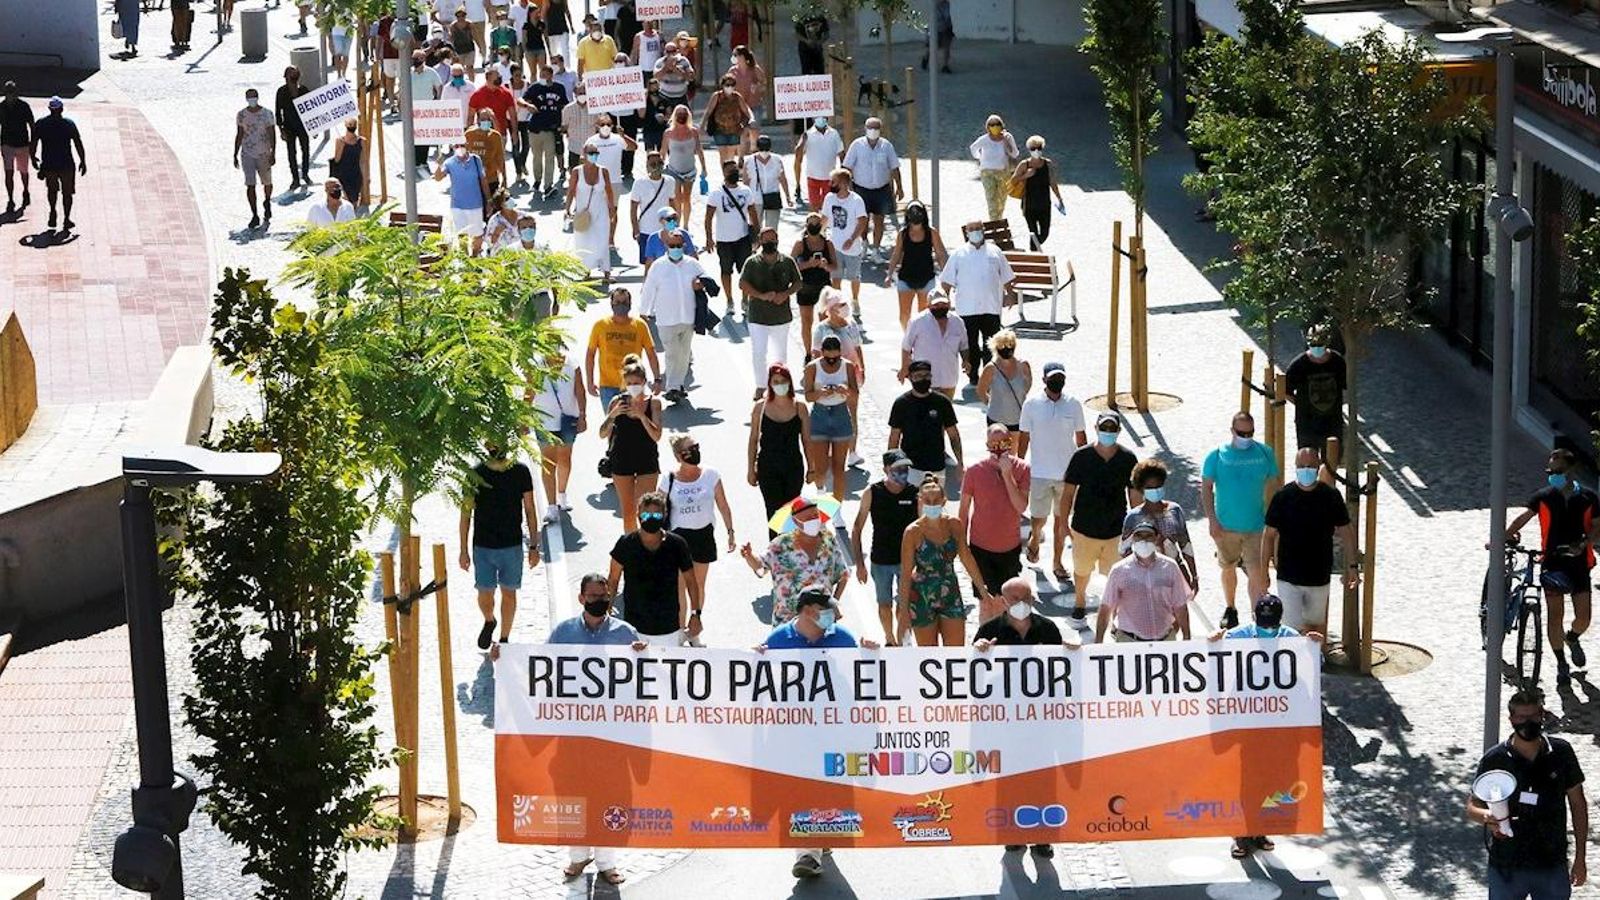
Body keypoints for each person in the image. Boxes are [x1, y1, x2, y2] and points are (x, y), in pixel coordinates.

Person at [760, 587, 874, 880]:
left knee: (832, 791)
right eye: (826, 609)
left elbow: (863, 681)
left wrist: (871, 653)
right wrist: (753, 659)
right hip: (794, 734)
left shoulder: (844, 638)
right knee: (801, 788)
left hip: (835, 732)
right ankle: (807, 853)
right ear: (809, 610)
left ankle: (820, 841)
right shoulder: (777, 641)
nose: (833, 615)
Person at [1206, 592, 1322, 859]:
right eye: (1263, 622)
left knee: (1272, 779)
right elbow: (1214, 653)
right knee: (1247, 778)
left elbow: (1312, 667)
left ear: (1280, 620)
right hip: (1248, 725)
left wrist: (1316, 647)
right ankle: (1240, 833)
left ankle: (1260, 829)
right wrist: (1213, 638)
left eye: (1271, 623)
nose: (1267, 627)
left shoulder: (1292, 637)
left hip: (1278, 726)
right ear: (1254, 617)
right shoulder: (1240, 635)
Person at [1468, 688, 1589, 899]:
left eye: (1533, 716)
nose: (1528, 723)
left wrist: (1580, 858)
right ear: (1512, 719)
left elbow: (1578, 804)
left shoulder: (1561, 753)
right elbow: (1472, 806)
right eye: (1522, 717)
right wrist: (1488, 818)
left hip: (1551, 863)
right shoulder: (1495, 758)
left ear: (1542, 715)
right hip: (1507, 866)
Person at [1507, 448, 1600, 684]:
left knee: (1584, 617)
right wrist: (1503, 536)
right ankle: (1561, 663)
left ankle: (1572, 638)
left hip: (1579, 563)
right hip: (1552, 563)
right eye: (1550, 471)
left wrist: (1586, 542)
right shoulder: (1543, 496)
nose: (1553, 475)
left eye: (1557, 471)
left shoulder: (1588, 497)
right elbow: (1523, 517)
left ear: (1571, 470)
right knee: (1554, 615)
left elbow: (1597, 526)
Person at [1262, 447, 1357, 639]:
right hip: (1288, 575)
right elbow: (1268, 534)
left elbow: (1346, 531)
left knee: (1316, 627)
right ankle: (1293, 666)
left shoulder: (1330, 497)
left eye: (1310, 466)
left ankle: (1315, 665)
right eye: (1301, 466)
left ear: (1318, 467)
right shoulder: (1283, 497)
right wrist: (1264, 570)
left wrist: (1352, 565)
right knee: (1291, 628)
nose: (1306, 470)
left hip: (1319, 574)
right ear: (1295, 467)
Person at [1060, 411, 1140, 629]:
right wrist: (1062, 524)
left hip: (1116, 529)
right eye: (1104, 428)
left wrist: (1137, 526)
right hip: (1084, 528)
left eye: (1112, 429)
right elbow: (1067, 492)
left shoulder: (1128, 459)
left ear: (1118, 431)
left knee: (1117, 575)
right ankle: (1079, 602)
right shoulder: (1081, 456)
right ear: (1096, 429)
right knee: (1082, 570)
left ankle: (1115, 613)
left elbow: (1134, 495)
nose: (1107, 432)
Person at [457, 442, 540, 651]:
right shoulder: (475, 474)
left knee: (509, 592)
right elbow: (466, 513)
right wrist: (463, 549)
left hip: (511, 545)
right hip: (483, 545)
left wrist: (533, 546)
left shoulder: (521, 471)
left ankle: (504, 639)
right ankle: (489, 620)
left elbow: (530, 509)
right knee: (484, 592)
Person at [1201, 411, 1277, 629]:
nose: (1246, 436)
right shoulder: (1216, 455)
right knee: (1227, 567)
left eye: (1250, 432)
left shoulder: (1265, 453)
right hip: (1225, 528)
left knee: (1257, 572)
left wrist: (1273, 520)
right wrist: (1212, 521)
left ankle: (1257, 617)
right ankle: (1231, 607)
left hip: (1256, 527)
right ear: (1232, 431)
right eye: (1241, 432)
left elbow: (1274, 485)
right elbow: (1206, 488)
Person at [1017, 361, 1088, 580]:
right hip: (1039, 472)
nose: (1057, 382)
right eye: (1053, 378)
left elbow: (1081, 438)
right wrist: (1019, 464)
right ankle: (1035, 537)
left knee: (1061, 520)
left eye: (1061, 378)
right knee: (1039, 517)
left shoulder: (1074, 405)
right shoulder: (1031, 405)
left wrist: (1084, 468)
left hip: (1067, 476)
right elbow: (1024, 437)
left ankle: (1057, 562)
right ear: (1044, 380)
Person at [902, 474, 991, 646]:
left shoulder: (954, 525)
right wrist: (904, 613)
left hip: (950, 591)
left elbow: (966, 557)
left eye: (936, 500)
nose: (932, 504)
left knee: (956, 651)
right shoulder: (913, 532)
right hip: (922, 595)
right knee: (929, 654)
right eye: (927, 500)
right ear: (920, 500)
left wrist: (983, 591)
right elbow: (905, 574)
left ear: (944, 501)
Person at [607, 491, 699, 647]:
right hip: (633, 626)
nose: (650, 518)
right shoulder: (626, 544)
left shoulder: (677, 544)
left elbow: (691, 581)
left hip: (668, 627)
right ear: (638, 514)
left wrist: (695, 614)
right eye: (646, 514)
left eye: (656, 515)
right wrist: (606, 610)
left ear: (664, 515)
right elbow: (613, 579)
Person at [740, 497, 849, 624]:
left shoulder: (828, 539)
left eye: (815, 515)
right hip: (787, 621)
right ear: (796, 522)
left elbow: (843, 574)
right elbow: (760, 565)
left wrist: (833, 604)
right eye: (808, 518)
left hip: (821, 621)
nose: (813, 520)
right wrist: (749, 556)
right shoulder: (781, 544)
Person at [665, 434, 737, 626]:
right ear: (679, 455)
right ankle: (679, 629)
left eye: (696, 447)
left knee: (698, 585)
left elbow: (722, 504)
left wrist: (730, 531)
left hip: (703, 534)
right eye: (690, 449)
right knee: (679, 586)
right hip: (678, 536)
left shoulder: (711, 475)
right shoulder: (669, 479)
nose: (696, 452)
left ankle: (694, 627)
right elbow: (657, 506)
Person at [852, 450, 920, 645]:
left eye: (905, 468)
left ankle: (900, 638)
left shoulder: (914, 493)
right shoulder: (873, 492)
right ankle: (889, 638)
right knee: (884, 604)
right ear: (886, 469)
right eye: (897, 469)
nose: (902, 472)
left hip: (907, 561)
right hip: (880, 559)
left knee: (904, 605)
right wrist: (859, 564)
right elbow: (857, 528)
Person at [960, 425, 1030, 609]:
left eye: (1004, 442)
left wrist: (1007, 475)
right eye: (993, 444)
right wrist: (960, 544)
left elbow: (1021, 506)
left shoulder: (1022, 469)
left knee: (1006, 602)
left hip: (1009, 547)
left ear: (1010, 443)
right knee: (986, 602)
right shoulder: (974, 471)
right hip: (981, 547)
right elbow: (964, 510)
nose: (999, 448)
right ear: (987, 444)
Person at [940, 220, 1016, 389]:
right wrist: (944, 301)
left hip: (991, 307)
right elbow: (947, 281)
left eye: (978, 229)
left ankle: (990, 375)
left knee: (992, 344)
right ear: (966, 232)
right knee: (970, 344)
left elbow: (1006, 275)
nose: (975, 232)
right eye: (971, 229)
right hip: (967, 309)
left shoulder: (995, 252)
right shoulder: (958, 255)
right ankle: (973, 376)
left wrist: (1010, 295)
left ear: (983, 230)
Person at [1095, 518, 1190, 643]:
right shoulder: (1119, 570)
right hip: (1129, 641)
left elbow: (1180, 605)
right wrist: (1098, 643)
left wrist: (1187, 638)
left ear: (1156, 538)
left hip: (1165, 640)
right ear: (1133, 538)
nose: (1143, 540)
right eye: (1139, 535)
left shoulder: (1170, 567)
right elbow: (1106, 607)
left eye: (1148, 536)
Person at [639, 231, 705, 403]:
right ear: (666, 246)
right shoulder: (658, 266)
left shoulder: (692, 264)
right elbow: (649, 288)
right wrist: (644, 310)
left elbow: (707, 279)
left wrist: (700, 284)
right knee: (672, 352)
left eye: (678, 246)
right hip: (666, 318)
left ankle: (678, 384)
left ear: (683, 246)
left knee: (683, 354)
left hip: (688, 317)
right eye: (672, 246)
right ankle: (672, 387)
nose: (675, 248)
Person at [749, 365, 811, 537]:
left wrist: (812, 467)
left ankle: (792, 551)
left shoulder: (800, 407)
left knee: (791, 512)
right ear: (769, 383)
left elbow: (807, 440)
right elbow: (753, 440)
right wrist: (750, 469)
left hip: (793, 466)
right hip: (768, 467)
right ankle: (775, 554)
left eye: (783, 381)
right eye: (775, 381)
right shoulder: (760, 408)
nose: (780, 385)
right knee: (774, 513)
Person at [1123, 458, 1199, 593]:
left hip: (1175, 573)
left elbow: (1185, 545)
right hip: (1144, 578)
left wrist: (1193, 575)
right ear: (1141, 489)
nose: (1155, 490)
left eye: (1158, 486)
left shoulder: (1174, 511)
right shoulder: (1133, 518)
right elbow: (1124, 552)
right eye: (1150, 488)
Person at [740, 225, 801, 393]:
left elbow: (798, 282)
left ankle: (780, 386)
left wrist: (786, 294)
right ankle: (760, 385)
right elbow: (743, 283)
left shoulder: (787, 261)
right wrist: (760, 295)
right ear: (760, 241)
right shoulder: (752, 262)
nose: (769, 243)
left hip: (781, 316)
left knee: (780, 354)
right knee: (759, 353)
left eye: (772, 240)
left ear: (777, 240)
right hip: (758, 316)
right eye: (766, 240)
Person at [811, 290, 866, 466]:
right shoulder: (821, 329)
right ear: (831, 309)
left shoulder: (851, 325)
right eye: (840, 305)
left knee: (852, 414)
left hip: (850, 376)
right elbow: (816, 355)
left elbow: (857, 348)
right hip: (828, 379)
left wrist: (862, 368)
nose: (844, 308)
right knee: (829, 413)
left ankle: (852, 451)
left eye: (844, 304)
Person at [530, 347, 586, 522]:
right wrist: (524, 418)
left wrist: (583, 415)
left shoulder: (572, 364)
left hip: (567, 419)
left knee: (565, 458)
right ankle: (551, 506)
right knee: (548, 462)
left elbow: (580, 391)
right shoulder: (536, 365)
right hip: (544, 421)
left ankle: (562, 493)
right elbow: (529, 392)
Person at [888, 360, 963, 488]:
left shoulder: (941, 402)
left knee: (934, 504)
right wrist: (891, 465)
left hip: (937, 465)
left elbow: (953, 435)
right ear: (910, 378)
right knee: (911, 505)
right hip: (910, 466)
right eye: (918, 376)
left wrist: (960, 463)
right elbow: (894, 437)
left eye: (927, 375)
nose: (923, 379)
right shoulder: (901, 404)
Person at [586, 288, 662, 410]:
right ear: (611, 304)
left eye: (624, 302)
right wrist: (590, 382)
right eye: (617, 302)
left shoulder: (640, 326)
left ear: (630, 304)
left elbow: (651, 353)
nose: (621, 306)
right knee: (612, 423)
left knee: (634, 421)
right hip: (608, 385)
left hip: (634, 384)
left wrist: (657, 379)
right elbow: (590, 354)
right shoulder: (600, 326)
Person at [803, 335, 858, 499]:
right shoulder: (812, 367)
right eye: (828, 358)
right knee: (821, 468)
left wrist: (845, 390)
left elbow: (855, 394)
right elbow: (808, 396)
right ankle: (820, 496)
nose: (832, 361)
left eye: (836, 357)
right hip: (820, 415)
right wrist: (820, 393)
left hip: (840, 414)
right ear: (822, 353)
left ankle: (837, 509)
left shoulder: (847, 366)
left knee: (839, 468)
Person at [1285, 324, 1348, 465]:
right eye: (1313, 344)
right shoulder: (1298, 365)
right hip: (1307, 424)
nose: (1317, 347)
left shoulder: (1337, 362)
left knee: (1332, 462)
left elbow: (1345, 385)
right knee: (1308, 460)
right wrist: (1301, 403)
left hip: (1332, 422)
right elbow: (1286, 391)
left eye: (1320, 344)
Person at [842, 117, 903, 261]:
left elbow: (894, 167)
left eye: (876, 128)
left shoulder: (886, 146)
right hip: (861, 189)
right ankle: (863, 244)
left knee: (879, 221)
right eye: (870, 128)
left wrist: (900, 187)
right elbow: (847, 167)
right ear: (865, 129)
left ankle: (876, 250)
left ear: (880, 130)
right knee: (862, 220)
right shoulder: (857, 145)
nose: (873, 131)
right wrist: (846, 187)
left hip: (881, 189)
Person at [705, 160, 760, 313]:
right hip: (724, 240)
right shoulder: (717, 193)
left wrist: (758, 233)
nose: (733, 173)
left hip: (742, 238)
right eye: (730, 171)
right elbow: (708, 216)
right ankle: (729, 300)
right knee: (726, 271)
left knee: (746, 271)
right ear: (724, 173)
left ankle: (745, 300)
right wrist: (709, 238)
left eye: (735, 170)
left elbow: (753, 212)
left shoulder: (746, 191)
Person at [884, 200, 947, 330]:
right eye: (912, 212)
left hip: (926, 277)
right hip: (906, 278)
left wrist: (946, 276)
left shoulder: (932, 233)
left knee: (924, 314)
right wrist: (889, 274)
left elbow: (941, 254)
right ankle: (908, 337)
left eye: (918, 211)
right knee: (904, 314)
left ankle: (921, 340)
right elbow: (896, 254)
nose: (915, 215)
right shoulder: (903, 234)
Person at [564, 142, 615, 280]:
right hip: (583, 213)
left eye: (596, 153)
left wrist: (612, 208)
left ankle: (606, 272)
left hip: (601, 211)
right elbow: (570, 191)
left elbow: (609, 191)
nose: (594, 156)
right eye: (591, 153)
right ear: (584, 155)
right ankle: (585, 271)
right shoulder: (577, 171)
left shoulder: (603, 171)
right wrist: (567, 209)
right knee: (583, 241)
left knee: (603, 239)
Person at [899, 295, 966, 398]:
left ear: (949, 304)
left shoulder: (957, 322)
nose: (940, 307)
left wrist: (966, 360)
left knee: (946, 410)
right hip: (924, 379)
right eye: (936, 305)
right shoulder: (917, 321)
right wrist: (904, 367)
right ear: (928, 305)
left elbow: (964, 345)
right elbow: (906, 347)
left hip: (949, 377)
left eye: (943, 304)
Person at [433, 141, 491, 254]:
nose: (460, 148)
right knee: (462, 235)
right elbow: (438, 178)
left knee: (477, 235)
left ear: (468, 145)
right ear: (453, 148)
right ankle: (465, 260)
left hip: (475, 205)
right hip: (457, 206)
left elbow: (483, 180)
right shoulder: (449, 162)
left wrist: (489, 200)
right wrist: (438, 165)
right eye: (457, 146)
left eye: (463, 145)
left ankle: (475, 257)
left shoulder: (476, 160)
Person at [1011, 134, 1066, 250]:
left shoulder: (1048, 164)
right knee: (1033, 233)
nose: (1036, 151)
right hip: (1029, 205)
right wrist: (1026, 175)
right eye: (1033, 149)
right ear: (1029, 149)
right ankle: (1034, 255)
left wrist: (1060, 199)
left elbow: (1053, 183)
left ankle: (1034, 250)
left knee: (1045, 233)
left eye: (1039, 148)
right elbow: (1013, 180)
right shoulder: (1024, 164)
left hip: (1045, 204)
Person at [520, 62, 567, 196]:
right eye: (541, 75)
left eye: (545, 75)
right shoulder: (535, 88)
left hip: (551, 129)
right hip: (535, 128)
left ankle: (548, 185)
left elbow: (564, 106)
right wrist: (527, 105)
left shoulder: (559, 88)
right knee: (537, 157)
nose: (542, 77)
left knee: (550, 158)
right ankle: (537, 180)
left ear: (551, 76)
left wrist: (564, 125)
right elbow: (521, 100)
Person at [793, 213, 838, 350]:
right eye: (811, 224)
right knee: (807, 322)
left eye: (817, 224)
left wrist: (825, 265)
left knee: (825, 321)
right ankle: (808, 352)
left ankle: (823, 350)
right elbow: (791, 265)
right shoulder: (800, 244)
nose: (814, 227)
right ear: (806, 226)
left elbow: (834, 266)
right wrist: (808, 264)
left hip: (824, 288)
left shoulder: (828, 244)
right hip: (805, 287)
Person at [233, 89, 275, 231]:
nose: (252, 100)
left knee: (267, 182)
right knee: (250, 184)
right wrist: (235, 153)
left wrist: (273, 152)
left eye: (254, 97)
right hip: (247, 153)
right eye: (249, 97)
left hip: (264, 153)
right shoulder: (241, 115)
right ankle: (254, 214)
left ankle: (267, 201)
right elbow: (239, 133)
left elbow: (272, 133)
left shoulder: (267, 114)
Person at [977, 329, 1031, 431]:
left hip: (1019, 419)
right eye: (1003, 346)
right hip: (996, 420)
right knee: (998, 447)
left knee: (1016, 447)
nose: (1007, 349)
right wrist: (992, 403)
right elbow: (981, 391)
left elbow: (1027, 387)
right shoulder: (990, 368)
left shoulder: (1024, 365)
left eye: (1010, 345)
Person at [629, 151, 678, 262]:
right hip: (646, 230)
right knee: (648, 262)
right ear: (647, 166)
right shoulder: (640, 183)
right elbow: (633, 208)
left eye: (659, 163)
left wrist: (675, 225)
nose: (657, 167)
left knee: (667, 261)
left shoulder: (670, 181)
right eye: (653, 164)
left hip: (665, 230)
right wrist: (635, 229)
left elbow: (672, 204)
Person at [661, 104, 706, 223]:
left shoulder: (694, 132)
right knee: (676, 198)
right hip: (673, 170)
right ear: (675, 116)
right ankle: (676, 224)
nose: (682, 117)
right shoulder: (668, 133)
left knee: (686, 198)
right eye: (679, 114)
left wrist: (704, 168)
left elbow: (699, 150)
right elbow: (663, 151)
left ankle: (685, 226)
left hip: (689, 170)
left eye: (684, 114)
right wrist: (660, 169)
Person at [970, 115, 1019, 222]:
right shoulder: (984, 139)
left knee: (1001, 199)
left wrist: (1006, 143)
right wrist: (979, 158)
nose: (995, 127)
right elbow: (973, 148)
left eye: (997, 124)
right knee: (991, 198)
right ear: (988, 127)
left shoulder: (1007, 137)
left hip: (1003, 172)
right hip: (987, 172)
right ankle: (994, 222)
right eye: (992, 125)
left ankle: (998, 220)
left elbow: (1015, 153)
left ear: (1001, 126)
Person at [795, 116, 845, 211]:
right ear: (813, 119)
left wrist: (843, 173)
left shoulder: (834, 133)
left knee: (828, 206)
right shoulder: (808, 134)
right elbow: (798, 155)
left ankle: (827, 225)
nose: (821, 119)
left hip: (830, 177)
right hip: (813, 176)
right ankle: (815, 225)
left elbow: (841, 153)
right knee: (814, 206)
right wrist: (802, 142)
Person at [274, 67, 312, 190]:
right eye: (290, 75)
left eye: (295, 75)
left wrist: (314, 127)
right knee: (291, 153)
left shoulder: (304, 90)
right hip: (289, 127)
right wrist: (281, 129)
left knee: (305, 150)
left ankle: (305, 174)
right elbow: (278, 112)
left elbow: (312, 109)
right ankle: (295, 178)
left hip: (303, 126)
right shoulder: (281, 92)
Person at [702, 74, 751, 165]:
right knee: (723, 154)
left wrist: (749, 122)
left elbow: (745, 110)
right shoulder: (717, 96)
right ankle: (726, 174)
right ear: (723, 85)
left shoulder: (737, 97)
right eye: (727, 85)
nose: (730, 87)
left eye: (732, 85)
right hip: (719, 129)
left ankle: (730, 173)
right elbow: (708, 111)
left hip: (734, 129)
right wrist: (702, 126)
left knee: (730, 154)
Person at [1, 83, 35, 213]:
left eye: (11, 92)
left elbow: (31, 124)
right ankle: (10, 199)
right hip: (7, 144)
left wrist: (32, 142)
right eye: (7, 92)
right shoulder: (1, 107)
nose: (9, 95)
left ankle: (26, 191)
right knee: (8, 173)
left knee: (23, 171)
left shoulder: (24, 106)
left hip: (22, 144)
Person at [743, 135, 789, 229]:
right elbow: (746, 182)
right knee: (755, 228)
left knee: (772, 228)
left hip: (773, 196)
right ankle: (756, 244)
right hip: (755, 198)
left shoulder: (777, 160)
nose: (764, 151)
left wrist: (787, 196)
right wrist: (744, 199)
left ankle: (771, 244)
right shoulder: (749, 161)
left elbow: (782, 179)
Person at [727, 44, 766, 155]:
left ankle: (754, 150)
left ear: (743, 57)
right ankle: (741, 155)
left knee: (754, 129)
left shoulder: (754, 69)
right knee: (742, 132)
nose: (735, 57)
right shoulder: (732, 71)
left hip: (755, 103)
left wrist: (758, 88)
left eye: (737, 55)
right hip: (739, 105)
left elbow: (764, 82)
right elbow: (727, 84)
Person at [409, 52, 444, 174]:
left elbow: (439, 86)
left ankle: (422, 161)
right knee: (413, 136)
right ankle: (414, 161)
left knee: (425, 136)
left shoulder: (431, 72)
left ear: (423, 59)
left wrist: (437, 100)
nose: (414, 61)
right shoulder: (409, 72)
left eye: (416, 58)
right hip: (412, 108)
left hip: (426, 109)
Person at [465, 107, 509, 197]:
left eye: (488, 119)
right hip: (473, 180)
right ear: (478, 120)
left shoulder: (495, 136)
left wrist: (504, 180)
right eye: (483, 119)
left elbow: (500, 159)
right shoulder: (469, 135)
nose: (485, 122)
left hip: (491, 180)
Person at [641, 205, 700, 272]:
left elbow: (694, 257)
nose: (672, 221)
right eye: (669, 219)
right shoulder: (653, 238)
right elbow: (649, 262)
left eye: (674, 218)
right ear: (661, 221)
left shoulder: (684, 234)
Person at [330, 117, 369, 210]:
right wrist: (365, 177)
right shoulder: (362, 141)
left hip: (348, 174)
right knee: (351, 201)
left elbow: (337, 160)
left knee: (351, 201)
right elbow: (363, 161)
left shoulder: (340, 141)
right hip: (351, 175)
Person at [559, 82, 598, 169]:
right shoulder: (568, 109)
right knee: (574, 173)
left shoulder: (594, 108)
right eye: (580, 93)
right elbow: (564, 126)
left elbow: (599, 124)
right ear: (575, 94)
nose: (582, 95)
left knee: (593, 171)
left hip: (591, 147)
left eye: (585, 93)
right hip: (574, 147)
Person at [653, 41, 696, 110]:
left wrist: (675, 69)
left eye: (672, 51)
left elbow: (691, 77)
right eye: (668, 51)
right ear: (664, 52)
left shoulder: (684, 61)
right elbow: (656, 77)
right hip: (665, 97)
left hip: (681, 97)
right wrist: (666, 67)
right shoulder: (660, 62)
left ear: (677, 51)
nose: (670, 54)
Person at [921, 0, 954, 73]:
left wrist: (949, 26)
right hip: (935, 29)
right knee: (932, 48)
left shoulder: (947, 4)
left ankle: (945, 65)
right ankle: (926, 58)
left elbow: (948, 16)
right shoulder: (933, 4)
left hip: (945, 28)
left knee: (946, 47)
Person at [440, 63, 477, 127]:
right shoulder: (447, 88)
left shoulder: (471, 86)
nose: (457, 78)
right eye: (455, 76)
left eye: (459, 76)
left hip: (468, 122)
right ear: (452, 76)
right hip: (453, 124)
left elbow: (476, 103)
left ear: (463, 74)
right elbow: (443, 105)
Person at [448, 9, 479, 77]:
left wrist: (479, 46)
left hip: (470, 48)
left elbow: (475, 36)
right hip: (459, 49)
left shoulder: (469, 24)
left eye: (462, 16)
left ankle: (472, 82)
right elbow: (451, 38)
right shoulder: (453, 26)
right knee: (459, 68)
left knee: (470, 67)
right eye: (458, 16)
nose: (460, 18)